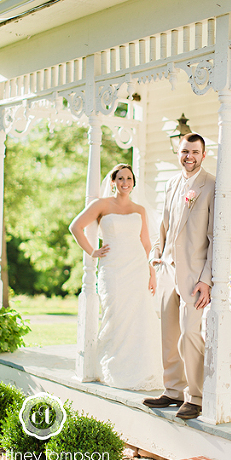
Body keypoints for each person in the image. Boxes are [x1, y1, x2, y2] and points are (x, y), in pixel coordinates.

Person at [69, 163, 163, 391]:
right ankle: (113, 367)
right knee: (115, 314)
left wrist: (152, 273)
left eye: (129, 178)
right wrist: (92, 251)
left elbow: (146, 243)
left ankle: (140, 369)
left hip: (137, 268)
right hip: (112, 269)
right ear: (113, 181)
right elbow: (76, 227)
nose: (125, 182)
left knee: (139, 317)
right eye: (120, 178)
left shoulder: (139, 210)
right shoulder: (101, 205)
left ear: (133, 182)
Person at [143, 133, 216, 420]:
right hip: (167, 271)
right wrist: (155, 252)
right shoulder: (172, 184)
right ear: (178, 152)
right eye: (185, 151)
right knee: (169, 334)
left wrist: (207, 279)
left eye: (195, 152)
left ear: (203, 154)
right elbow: (163, 226)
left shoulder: (211, 185)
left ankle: (195, 397)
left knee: (190, 334)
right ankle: (173, 391)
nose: (190, 156)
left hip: (194, 275)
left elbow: (216, 237)